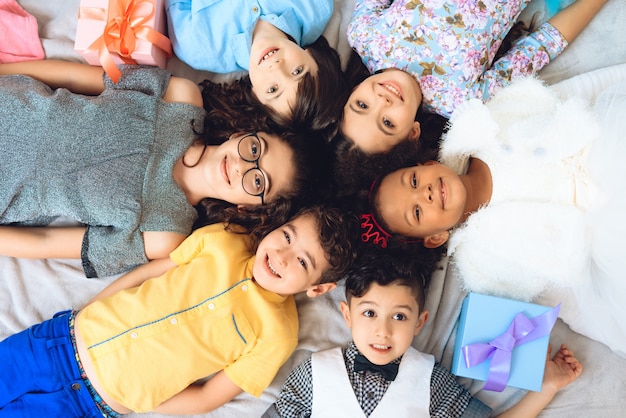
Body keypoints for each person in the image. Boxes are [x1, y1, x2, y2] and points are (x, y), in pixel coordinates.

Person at [0, 204, 359, 416]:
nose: (281, 255)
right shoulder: (225, 239)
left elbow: (206, 397)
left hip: (91, 405)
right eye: (287, 236)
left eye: (301, 260)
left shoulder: (278, 336)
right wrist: (92, 309)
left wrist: (140, 405)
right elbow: (152, 271)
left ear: (319, 288)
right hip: (57, 343)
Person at [367, 76, 626, 358]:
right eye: (417, 212)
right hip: (606, 234)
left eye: (414, 180)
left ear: (427, 164)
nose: (425, 193)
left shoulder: (488, 125)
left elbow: (572, 99)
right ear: (435, 237)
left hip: (608, 148)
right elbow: (562, 290)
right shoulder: (484, 261)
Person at [0, 60, 329, 278]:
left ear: (251, 207)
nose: (242, 165)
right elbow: (78, 77)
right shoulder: (182, 98)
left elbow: (45, 242)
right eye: (255, 149)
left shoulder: (165, 234)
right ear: (245, 133)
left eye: (258, 181)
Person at [264, 251, 582, 417]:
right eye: (369, 313)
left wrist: (547, 387)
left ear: (420, 322)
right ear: (347, 315)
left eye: (399, 316)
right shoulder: (314, 373)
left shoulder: (430, 380)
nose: (383, 331)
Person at [341, 0, 609, 154]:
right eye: (387, 123)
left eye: (362, 105)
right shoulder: (461, 101)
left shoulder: (365, 35)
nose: (382, 101)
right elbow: (543, 45)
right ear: (412, 133)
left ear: (353, 91)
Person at [165, 0, 348, 133]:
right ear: (312, 55)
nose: (276, 67)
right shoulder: (315, 6)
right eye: (297, 71)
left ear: (256, 95)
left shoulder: (198, 47)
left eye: (273, 89)